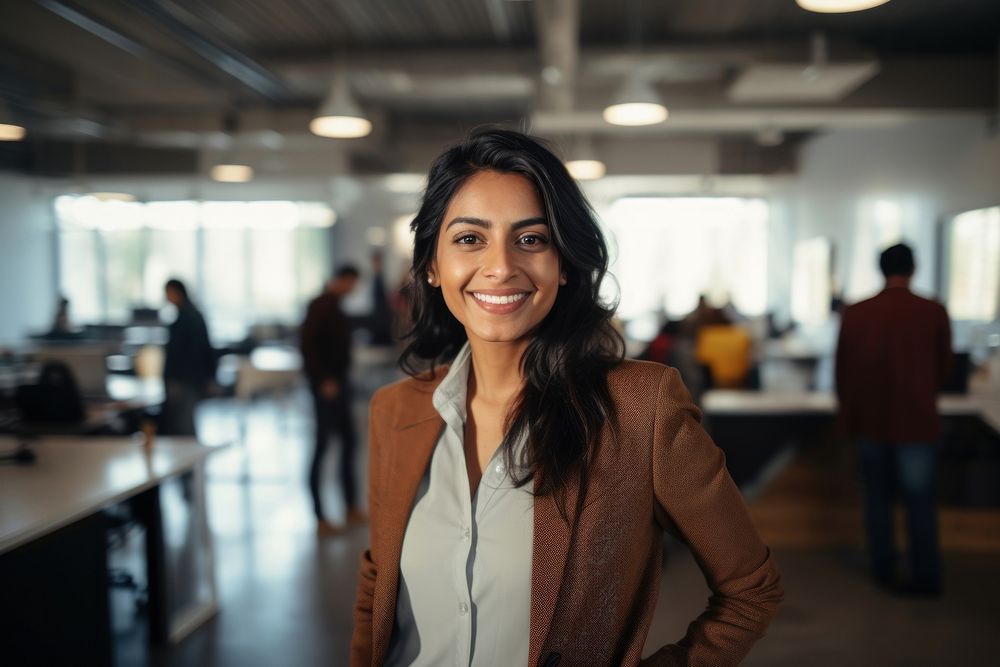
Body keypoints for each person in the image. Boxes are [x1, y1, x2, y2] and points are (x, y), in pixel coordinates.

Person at [351, 129, 782, 666]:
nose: (502, 266)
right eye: (469, 239)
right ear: (433, 266)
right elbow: (379, 582)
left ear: (565, 264)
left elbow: (750, 590)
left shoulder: (640, 409)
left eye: (531, 239)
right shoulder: (395, 412)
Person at [835, 243, 952, 595]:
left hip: (871, 421)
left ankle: (884, 571)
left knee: (877, 500)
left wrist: (847, 415)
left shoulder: (855, 313)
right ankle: (925, 577)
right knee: (920, 503)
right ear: (913, 268)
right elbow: (944, 368)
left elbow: (843, 373)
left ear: (880, 270)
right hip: (917, 421)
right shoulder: (933, 310)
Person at [301, 265, 363, 535]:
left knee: (350, 442)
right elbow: (307, 346)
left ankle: (350, 507)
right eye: (352, 283)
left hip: (339, 384)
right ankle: (319, 516)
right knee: (322, 447)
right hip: (326, 387)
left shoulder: (336, 305)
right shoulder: (320, 306)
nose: (354, 289)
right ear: (342, 280)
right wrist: (323, 379)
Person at [161, 279, 214, 436]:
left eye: (168, 293)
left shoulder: (188, 318)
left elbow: (195, 351)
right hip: (187, 379)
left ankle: (189, 458)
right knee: (182, 422)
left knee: (183, 424)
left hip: (185, 380)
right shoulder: (190, 315)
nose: (166, 297)